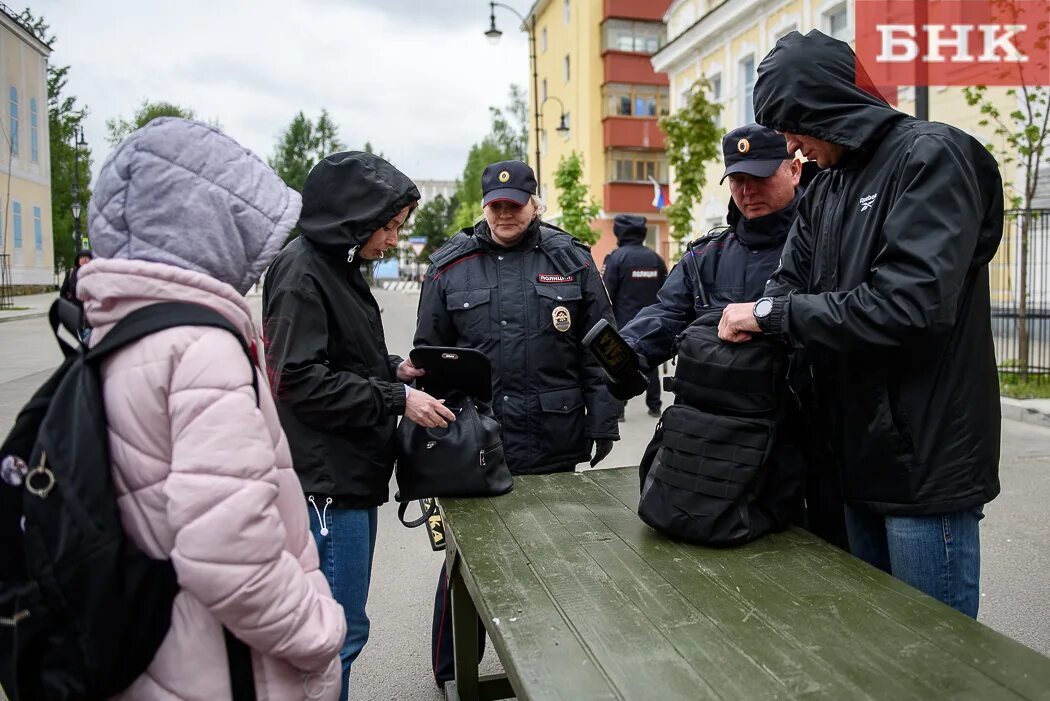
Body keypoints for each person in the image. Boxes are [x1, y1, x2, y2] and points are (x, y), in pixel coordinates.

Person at [718, 30, 1004, 619]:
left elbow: (910, 305)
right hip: (850, 458)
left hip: (923, 464)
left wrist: (773, 317)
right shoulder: (827, 186)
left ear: (826, 105)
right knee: (874, 648)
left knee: (933, 656)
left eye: (793, 123)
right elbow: (786, 281)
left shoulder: (931, 156)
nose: (791, 145)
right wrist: (772, 312)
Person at [75, 117, 345, 700]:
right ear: (214, 227)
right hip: (226, 668)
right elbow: (229, 554)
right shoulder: (203, 350)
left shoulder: (122, 332)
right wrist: (319, 632)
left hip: (161, 658)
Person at [415, 159, 620, 685]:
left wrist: (603, 419)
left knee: (554, 556)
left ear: (534, 204)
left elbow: (601, 347)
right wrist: (433, 438)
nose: (505, 214)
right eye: (496, 206)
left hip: (552, 434)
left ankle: (552, 667)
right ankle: (451, 672)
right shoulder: (449, 266)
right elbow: (428, 359)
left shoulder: (570, 259)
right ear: (484, 207)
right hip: (476, 442)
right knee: (468, 562)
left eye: (515, 205)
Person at [263, 151, 454, 698]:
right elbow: (297, 379)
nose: (393, 240)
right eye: (389, 227)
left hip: (347, 476)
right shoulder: (303, 272)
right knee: (334, 634)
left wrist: (395, 367)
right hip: (327, 483)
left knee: (341, 630)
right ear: (354, 216)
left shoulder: (333, 266)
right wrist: (399, 397)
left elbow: (334, 358)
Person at [612, 123, 848, 549]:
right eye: (738, 179)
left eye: (759, 176)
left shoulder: (827, 247)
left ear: (795, 170)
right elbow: (667, 313)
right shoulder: (707, 256)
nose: (747, 190)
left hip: (811, 449)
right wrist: (622, 353)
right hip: (724, 450)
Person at [602, 214, 667, 419]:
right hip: (651, 322)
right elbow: (666, 291)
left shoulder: (616, 258)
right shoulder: (655, 258)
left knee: (620, 366)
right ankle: (655, 405)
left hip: (624, 324)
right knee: (652, 363)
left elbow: (606, 294)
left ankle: (619, 410)